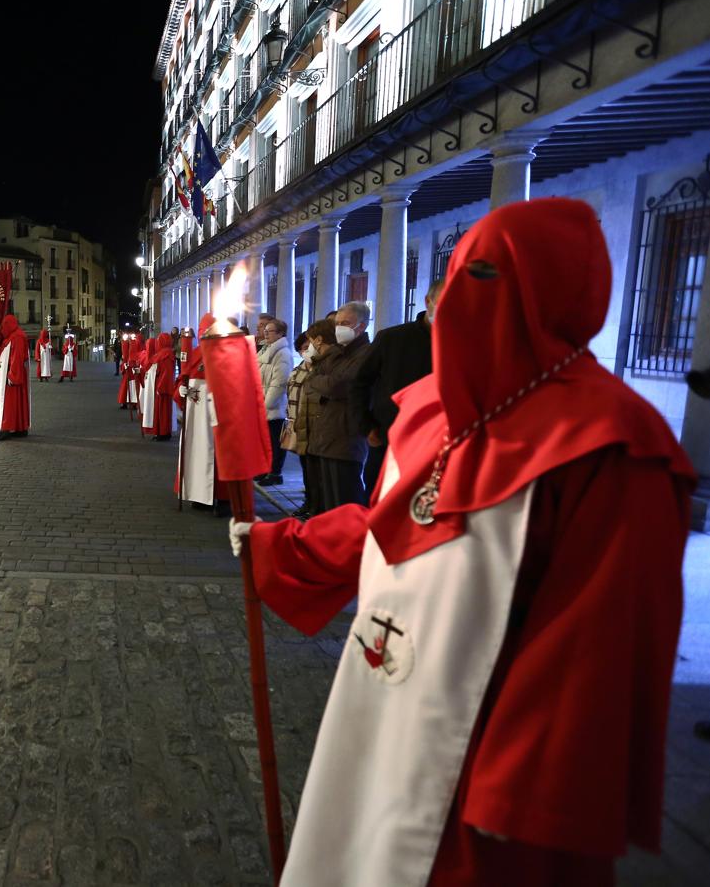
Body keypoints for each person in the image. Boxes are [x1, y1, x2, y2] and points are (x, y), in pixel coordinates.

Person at [234, 198, 696, 886]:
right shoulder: (428, 408)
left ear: (550, 293)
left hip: (482, 759)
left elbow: (598, 643)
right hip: (379, 699)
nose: (452, 297)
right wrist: (288, 545)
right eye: (452, 274)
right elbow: (393, 527)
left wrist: (520, 793)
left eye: (483, 274)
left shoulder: (612, 448)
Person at [352, 280, 444, 498]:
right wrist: (366, 425)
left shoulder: (465, 340)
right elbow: (359, 382)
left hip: (440, 445)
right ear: (428, 301)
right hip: (389, 438)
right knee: (382, 501)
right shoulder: (392, 338)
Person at [304, 300, 373, 510]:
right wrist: (320, 381)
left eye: (346, 323)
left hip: (346, 436)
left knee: (346, 500)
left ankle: (352, 541)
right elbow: (312, 380)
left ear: (361, 326)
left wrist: (320, 381)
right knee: (329, 501)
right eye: (338, 323)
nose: (340, 328)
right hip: (325, 435)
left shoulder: (365, 353)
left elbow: (339, 386)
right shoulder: (337, 352)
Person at [298, 319, 340, 516]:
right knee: (311, 473)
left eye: (311, 342)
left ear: (319, 340)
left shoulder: (331, 361)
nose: (309, 348)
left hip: (323, 425)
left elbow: (324, 388)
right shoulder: (315, 363)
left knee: (326, 480)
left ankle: (320, 511)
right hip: (309, 424)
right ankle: (313, 506)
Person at [174, 314, 216, 507]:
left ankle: (215, 496)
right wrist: (181, 391)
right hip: (195, 412)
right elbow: (183, 377)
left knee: (213, 452)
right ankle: (195, 493)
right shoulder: (195, 353)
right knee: (194, 450)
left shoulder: (226, 354)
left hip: (214, 414)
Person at [285, 330, 317, 519]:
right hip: (298, 424)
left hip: (313, 426)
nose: (307, 351)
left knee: (314, 470)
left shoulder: (319, 370)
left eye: (310, 347)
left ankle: (315, 505)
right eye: (304, 348)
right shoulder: (298, 369)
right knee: (306, 468)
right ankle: (309, 502)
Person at [258, 318, 293, 486]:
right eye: (265, 330)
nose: (265, 333)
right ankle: (265, 470)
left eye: (269, 331)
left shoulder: (282, 353)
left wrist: (265, 406)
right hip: (263, 403)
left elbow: (278, 383)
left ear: (280, 334)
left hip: (273, 407)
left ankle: (275, 473)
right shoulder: (267, 349)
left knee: (275, 443)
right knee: (265, 443)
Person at [0, 314, 29, 441]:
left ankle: (6, 428)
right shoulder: (13, 336)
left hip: (12, 376)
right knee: (18, 403)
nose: (2, 330)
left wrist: (13, 376)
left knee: (9, 404)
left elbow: (16, 357)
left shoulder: (17, 337)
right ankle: (20, 428)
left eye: (4, 326)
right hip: (11, 375)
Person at [146, 332, 176, 442]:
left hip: (162, 387)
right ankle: (160, 432)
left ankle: (163, 432)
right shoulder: (166, 353)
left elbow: (166, 373)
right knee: (161, 411)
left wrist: (160, 386)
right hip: (161, 385)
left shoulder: (166, 354)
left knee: (162, 411)